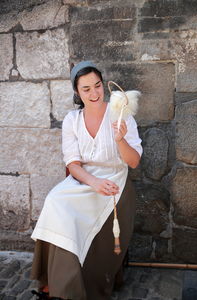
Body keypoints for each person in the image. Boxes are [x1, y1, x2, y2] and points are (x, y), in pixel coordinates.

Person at [31, 61, 143, 300]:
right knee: (55, 202)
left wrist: (121, 139)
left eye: (98, 86)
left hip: (114, 180)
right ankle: (56, 283)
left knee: (83, 210)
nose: (94, 93)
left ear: (103, 85)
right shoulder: (72, 119)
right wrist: (93, 182)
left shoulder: (121, 114)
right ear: (77, 92)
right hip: (84, 179)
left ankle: (80, 287)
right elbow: (72, 164)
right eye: (86, 89)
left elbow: (133, 162)